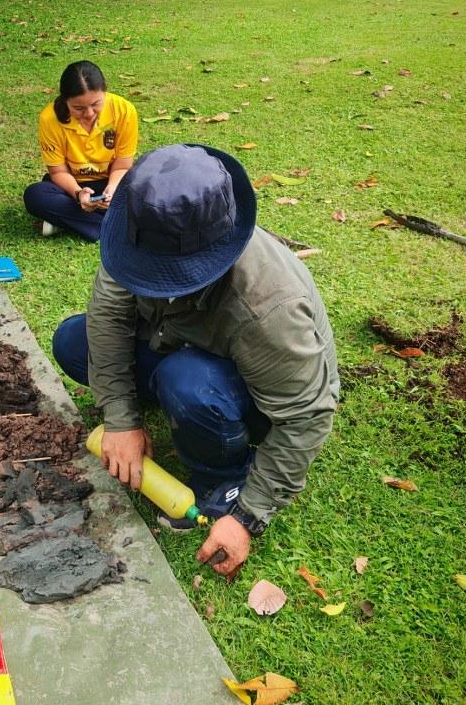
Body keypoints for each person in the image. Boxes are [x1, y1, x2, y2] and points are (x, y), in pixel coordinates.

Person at [51, 144, 339, 577]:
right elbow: (108, 317)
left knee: (187, 381)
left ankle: (225, 480)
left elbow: (307, 417)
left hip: (250, 388)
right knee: (75, 341)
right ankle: (175, 407)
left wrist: (247, 516)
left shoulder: (269, 309)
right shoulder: (141, 228)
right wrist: (121, 420)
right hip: (178, 340)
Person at [23, 60, 138, 241]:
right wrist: (78, 194)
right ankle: (115, 226)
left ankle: (66, 221)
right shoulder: (49, 118)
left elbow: (123, 165)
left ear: (105, 92)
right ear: (65, 101)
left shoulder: (124, 110)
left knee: (144, 191)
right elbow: (58, 171)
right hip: (73, 186)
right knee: (36, 195)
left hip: (112, 181)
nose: (90, 113)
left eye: (96, 104)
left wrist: (113, 189)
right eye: (78, 108)